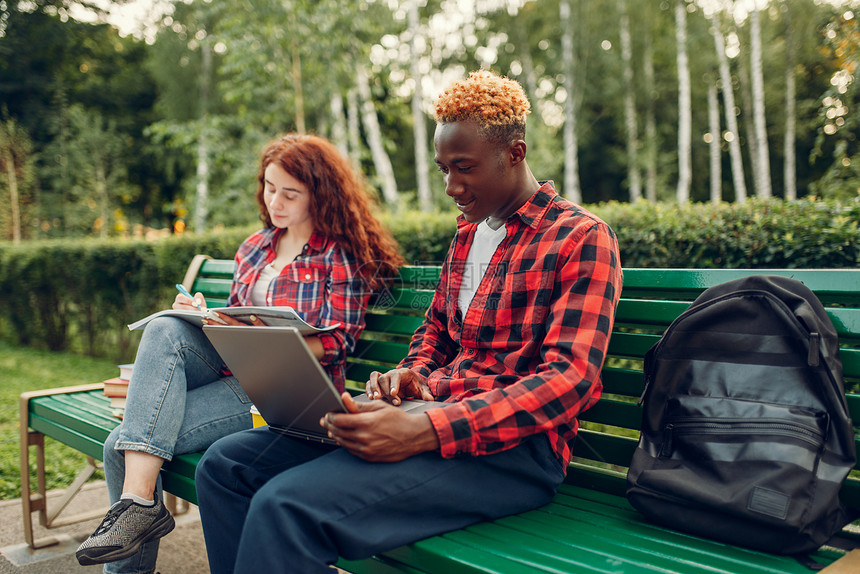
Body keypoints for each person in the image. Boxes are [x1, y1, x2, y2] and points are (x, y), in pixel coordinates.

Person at [195, 70, 623, 574]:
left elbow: (569, 381)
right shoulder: (469, 232)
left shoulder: (582, 238)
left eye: (464, 168)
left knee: (285, 507)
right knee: (226, 467)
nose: (451, 186)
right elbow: (436, 332)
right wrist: (409, 375)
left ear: (516, 153)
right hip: (428, 418)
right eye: (444, 168)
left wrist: (426, 431)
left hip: (511, 453)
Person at [75, 134, 403, 572]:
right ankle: (139, 506)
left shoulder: (339, 255)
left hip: (290, 389)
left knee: (122, 444)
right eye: (269, 187)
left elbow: (336, 342)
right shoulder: (253, 247)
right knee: (166, 326)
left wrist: (264, 340)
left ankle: (138, 509)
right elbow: (235, 319)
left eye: (290, 193)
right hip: (236, 372)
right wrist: (211, 319)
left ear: (319, 195)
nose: (275, 202)